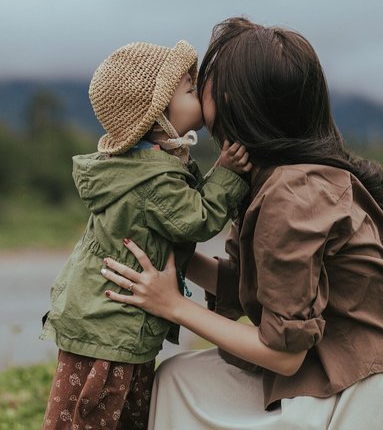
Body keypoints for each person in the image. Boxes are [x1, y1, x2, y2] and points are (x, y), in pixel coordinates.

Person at [101, 17, 383, 430]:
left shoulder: (292, 193)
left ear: (233, 100)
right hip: (329, 362)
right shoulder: (275, 177)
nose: (195, 88)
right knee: (178, 381)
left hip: (362, 387)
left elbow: (283, 351)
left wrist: (173, 304)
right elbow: (252, 285)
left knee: (184, 384)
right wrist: (167, 251)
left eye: (202, 82)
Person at [40, 40, 252, 429]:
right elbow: (197, 219)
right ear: (158, 118)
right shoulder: (151, 179)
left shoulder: (146, 166)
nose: (199, 92)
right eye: (190, 91)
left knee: (117, 413)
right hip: (110, 328)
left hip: (109, 322)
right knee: (100, 415)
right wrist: (228, 175)